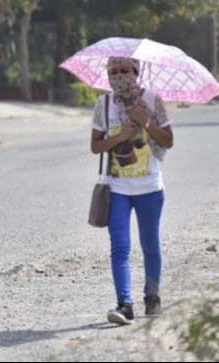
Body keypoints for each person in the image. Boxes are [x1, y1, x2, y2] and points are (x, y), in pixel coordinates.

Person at [90, 57, 174, 326]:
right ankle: (124, 304)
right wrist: (119, 137)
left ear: (136, 72)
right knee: (120, 247)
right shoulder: (103, 105)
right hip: (117, 189)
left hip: (150, 187)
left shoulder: (153, 101)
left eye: (125, 70)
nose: (119, 76)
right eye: (113, 72)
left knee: (150, 244)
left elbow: (168, 141)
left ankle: (152, 297)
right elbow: (96, 146)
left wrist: (145, 122)